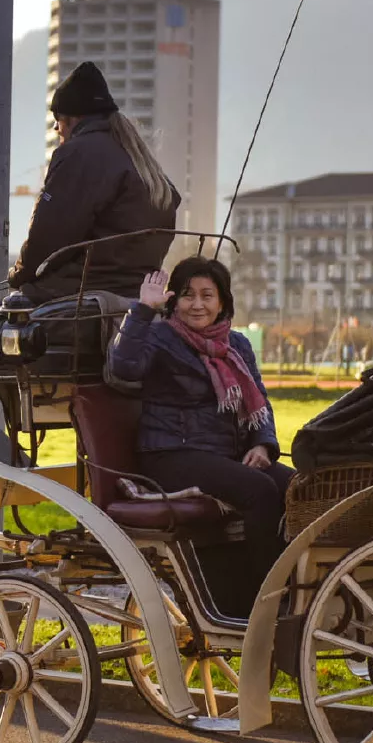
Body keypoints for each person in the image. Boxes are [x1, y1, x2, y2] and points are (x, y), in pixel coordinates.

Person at [0, 60, 181, 445]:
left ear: (71, 119)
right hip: (125, 305)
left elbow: (48, 235)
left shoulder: (79, 153)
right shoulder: (141, 162)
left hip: (81, 304)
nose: (56, 131)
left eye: (58, 122)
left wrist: (20, 274)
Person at [104, 256, 290, 618]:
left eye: (207, 295)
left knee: (297, 487)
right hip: (172, 454)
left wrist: (262, 444)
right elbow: (122, 367)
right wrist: (143, 310)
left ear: (222, 302)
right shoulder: (161, 336)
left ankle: (299, 583)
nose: (197, 304)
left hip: (225, 454)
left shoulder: (237, 344)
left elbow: (259, 400)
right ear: (174, 300)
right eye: (188, 295)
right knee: (259, 490)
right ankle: (264, 601)